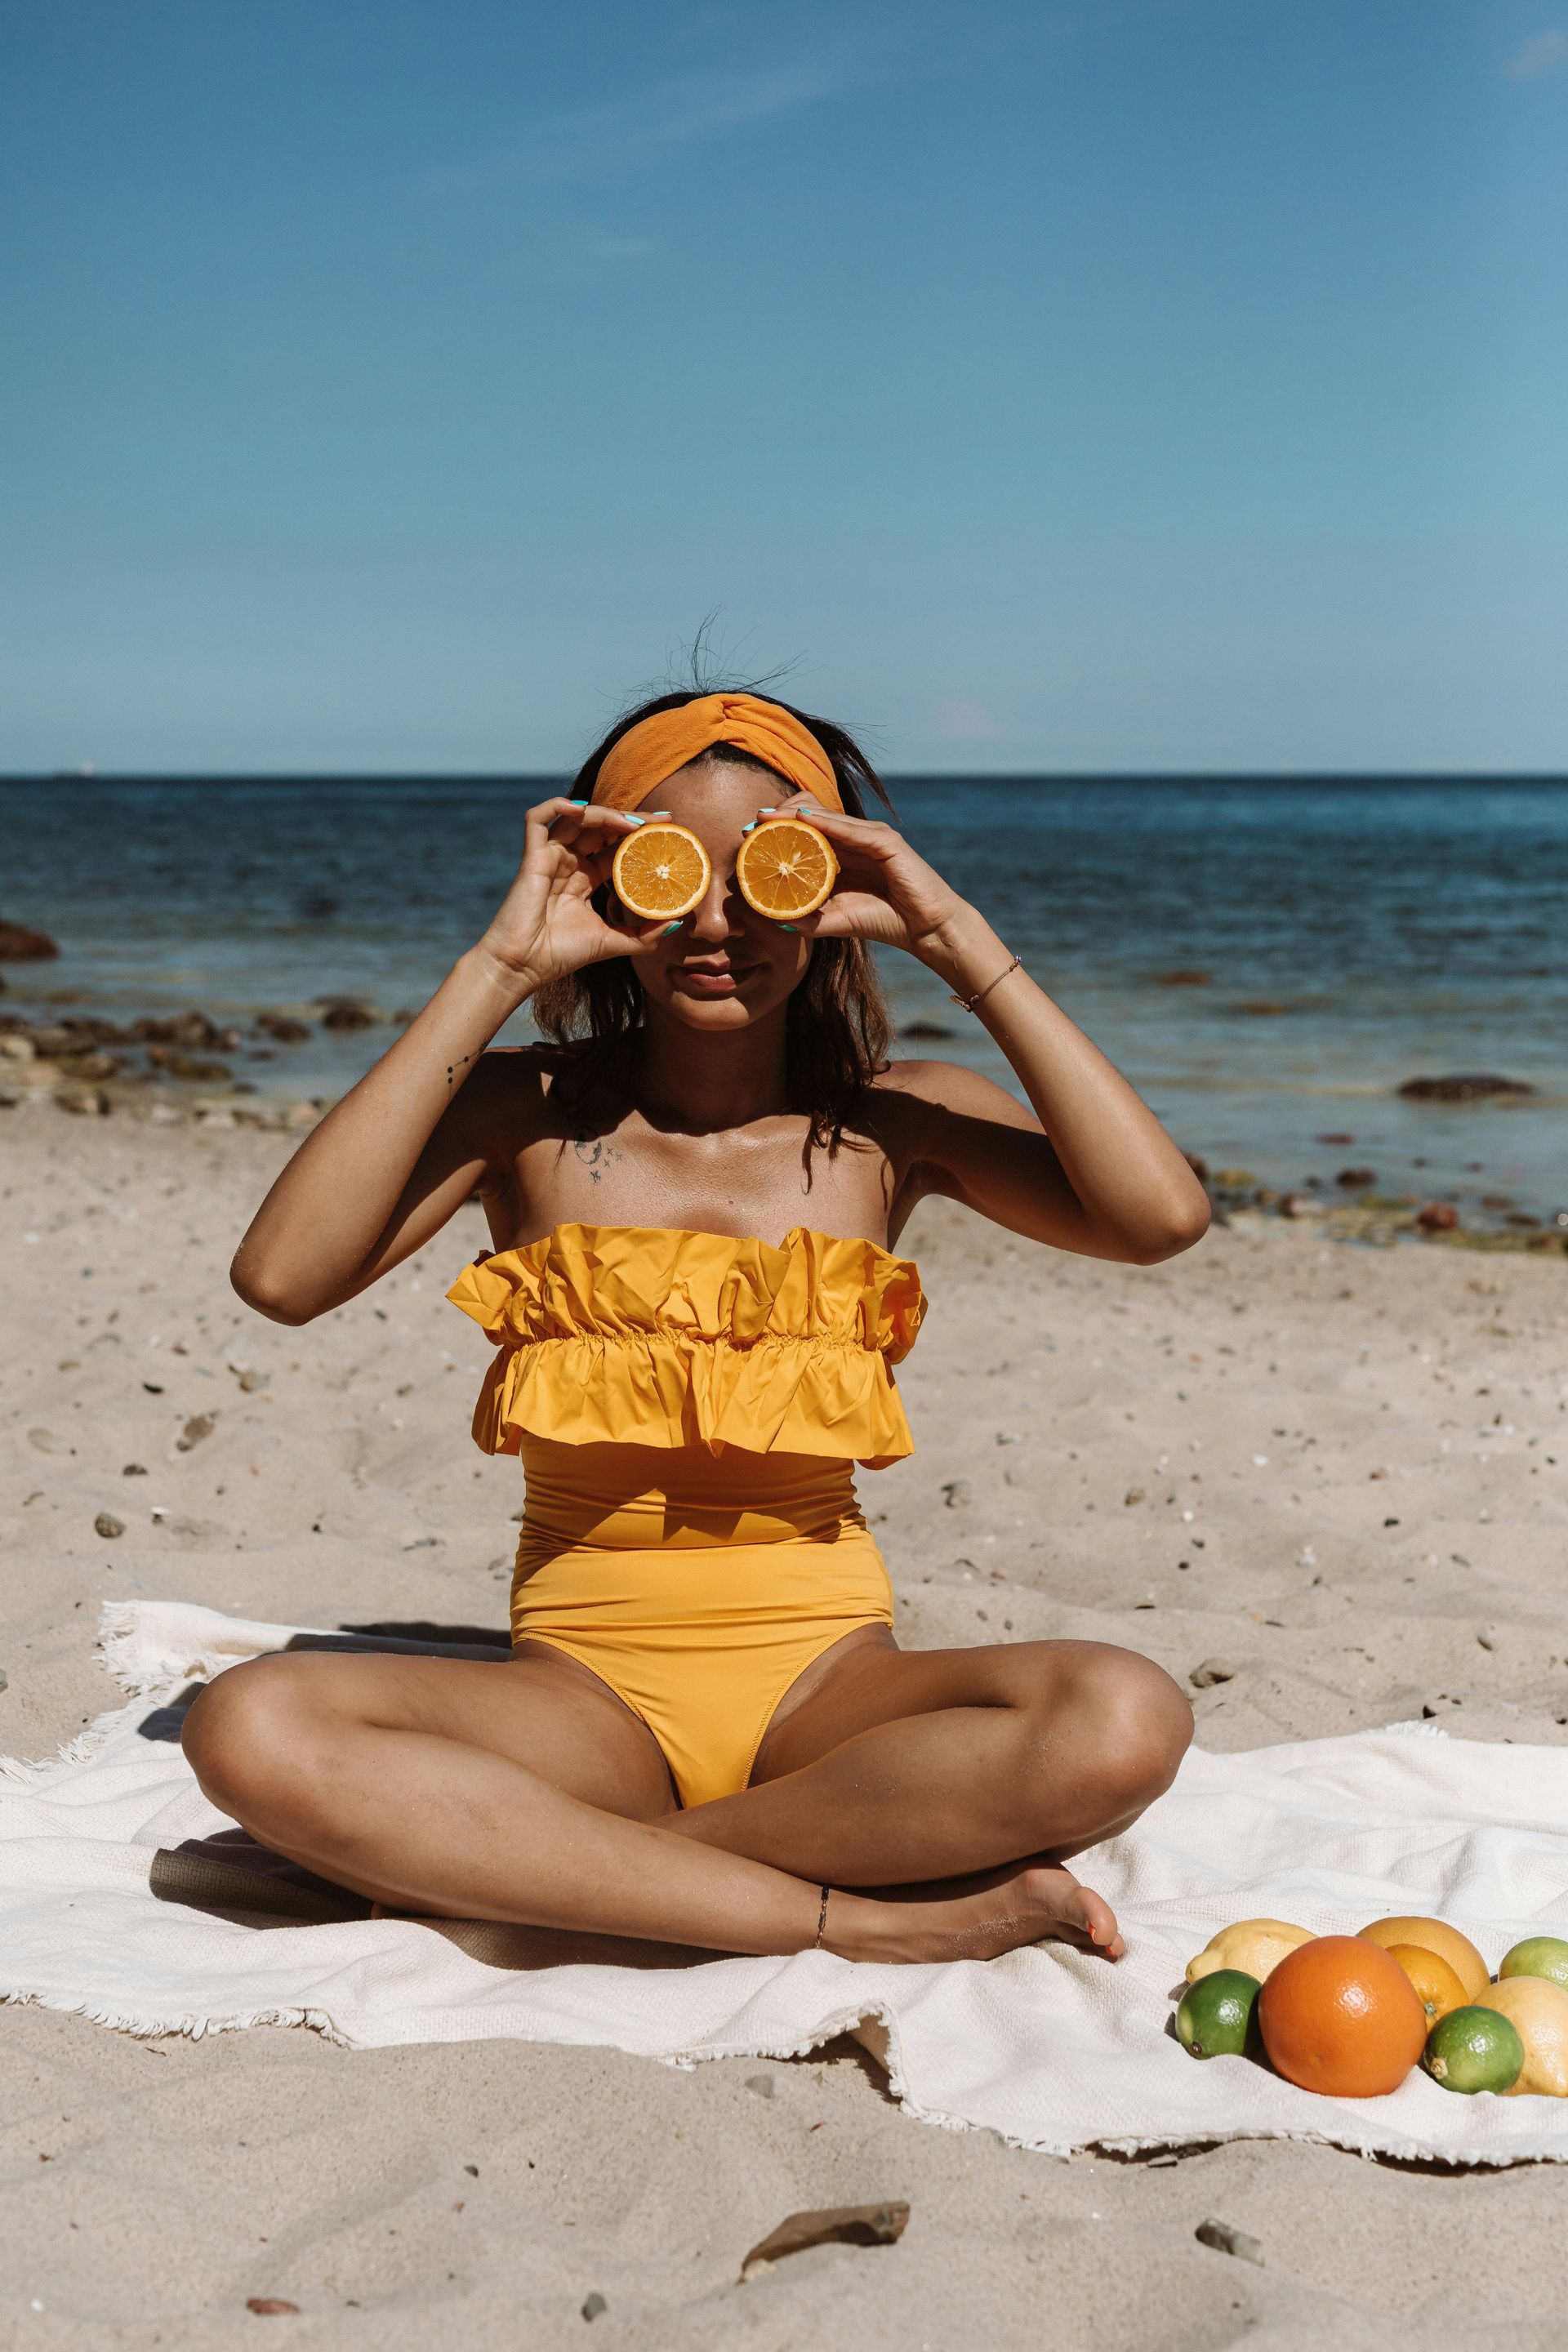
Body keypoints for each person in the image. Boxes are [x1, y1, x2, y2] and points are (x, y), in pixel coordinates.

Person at [182, 688, 1208, 1964]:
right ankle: (838, 1915)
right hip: (580, 1702)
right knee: (247, 1726)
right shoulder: (525, 1113)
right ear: (610, 883)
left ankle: (563, 1872)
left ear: (827, 885)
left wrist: (950, 933)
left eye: (767, 873)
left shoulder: (901, 1121)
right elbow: (281, 1276)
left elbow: (1162, 1215)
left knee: (1123, 1716)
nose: (717, 924)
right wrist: (497, 969)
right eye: (672, 873)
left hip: (828, 1694)